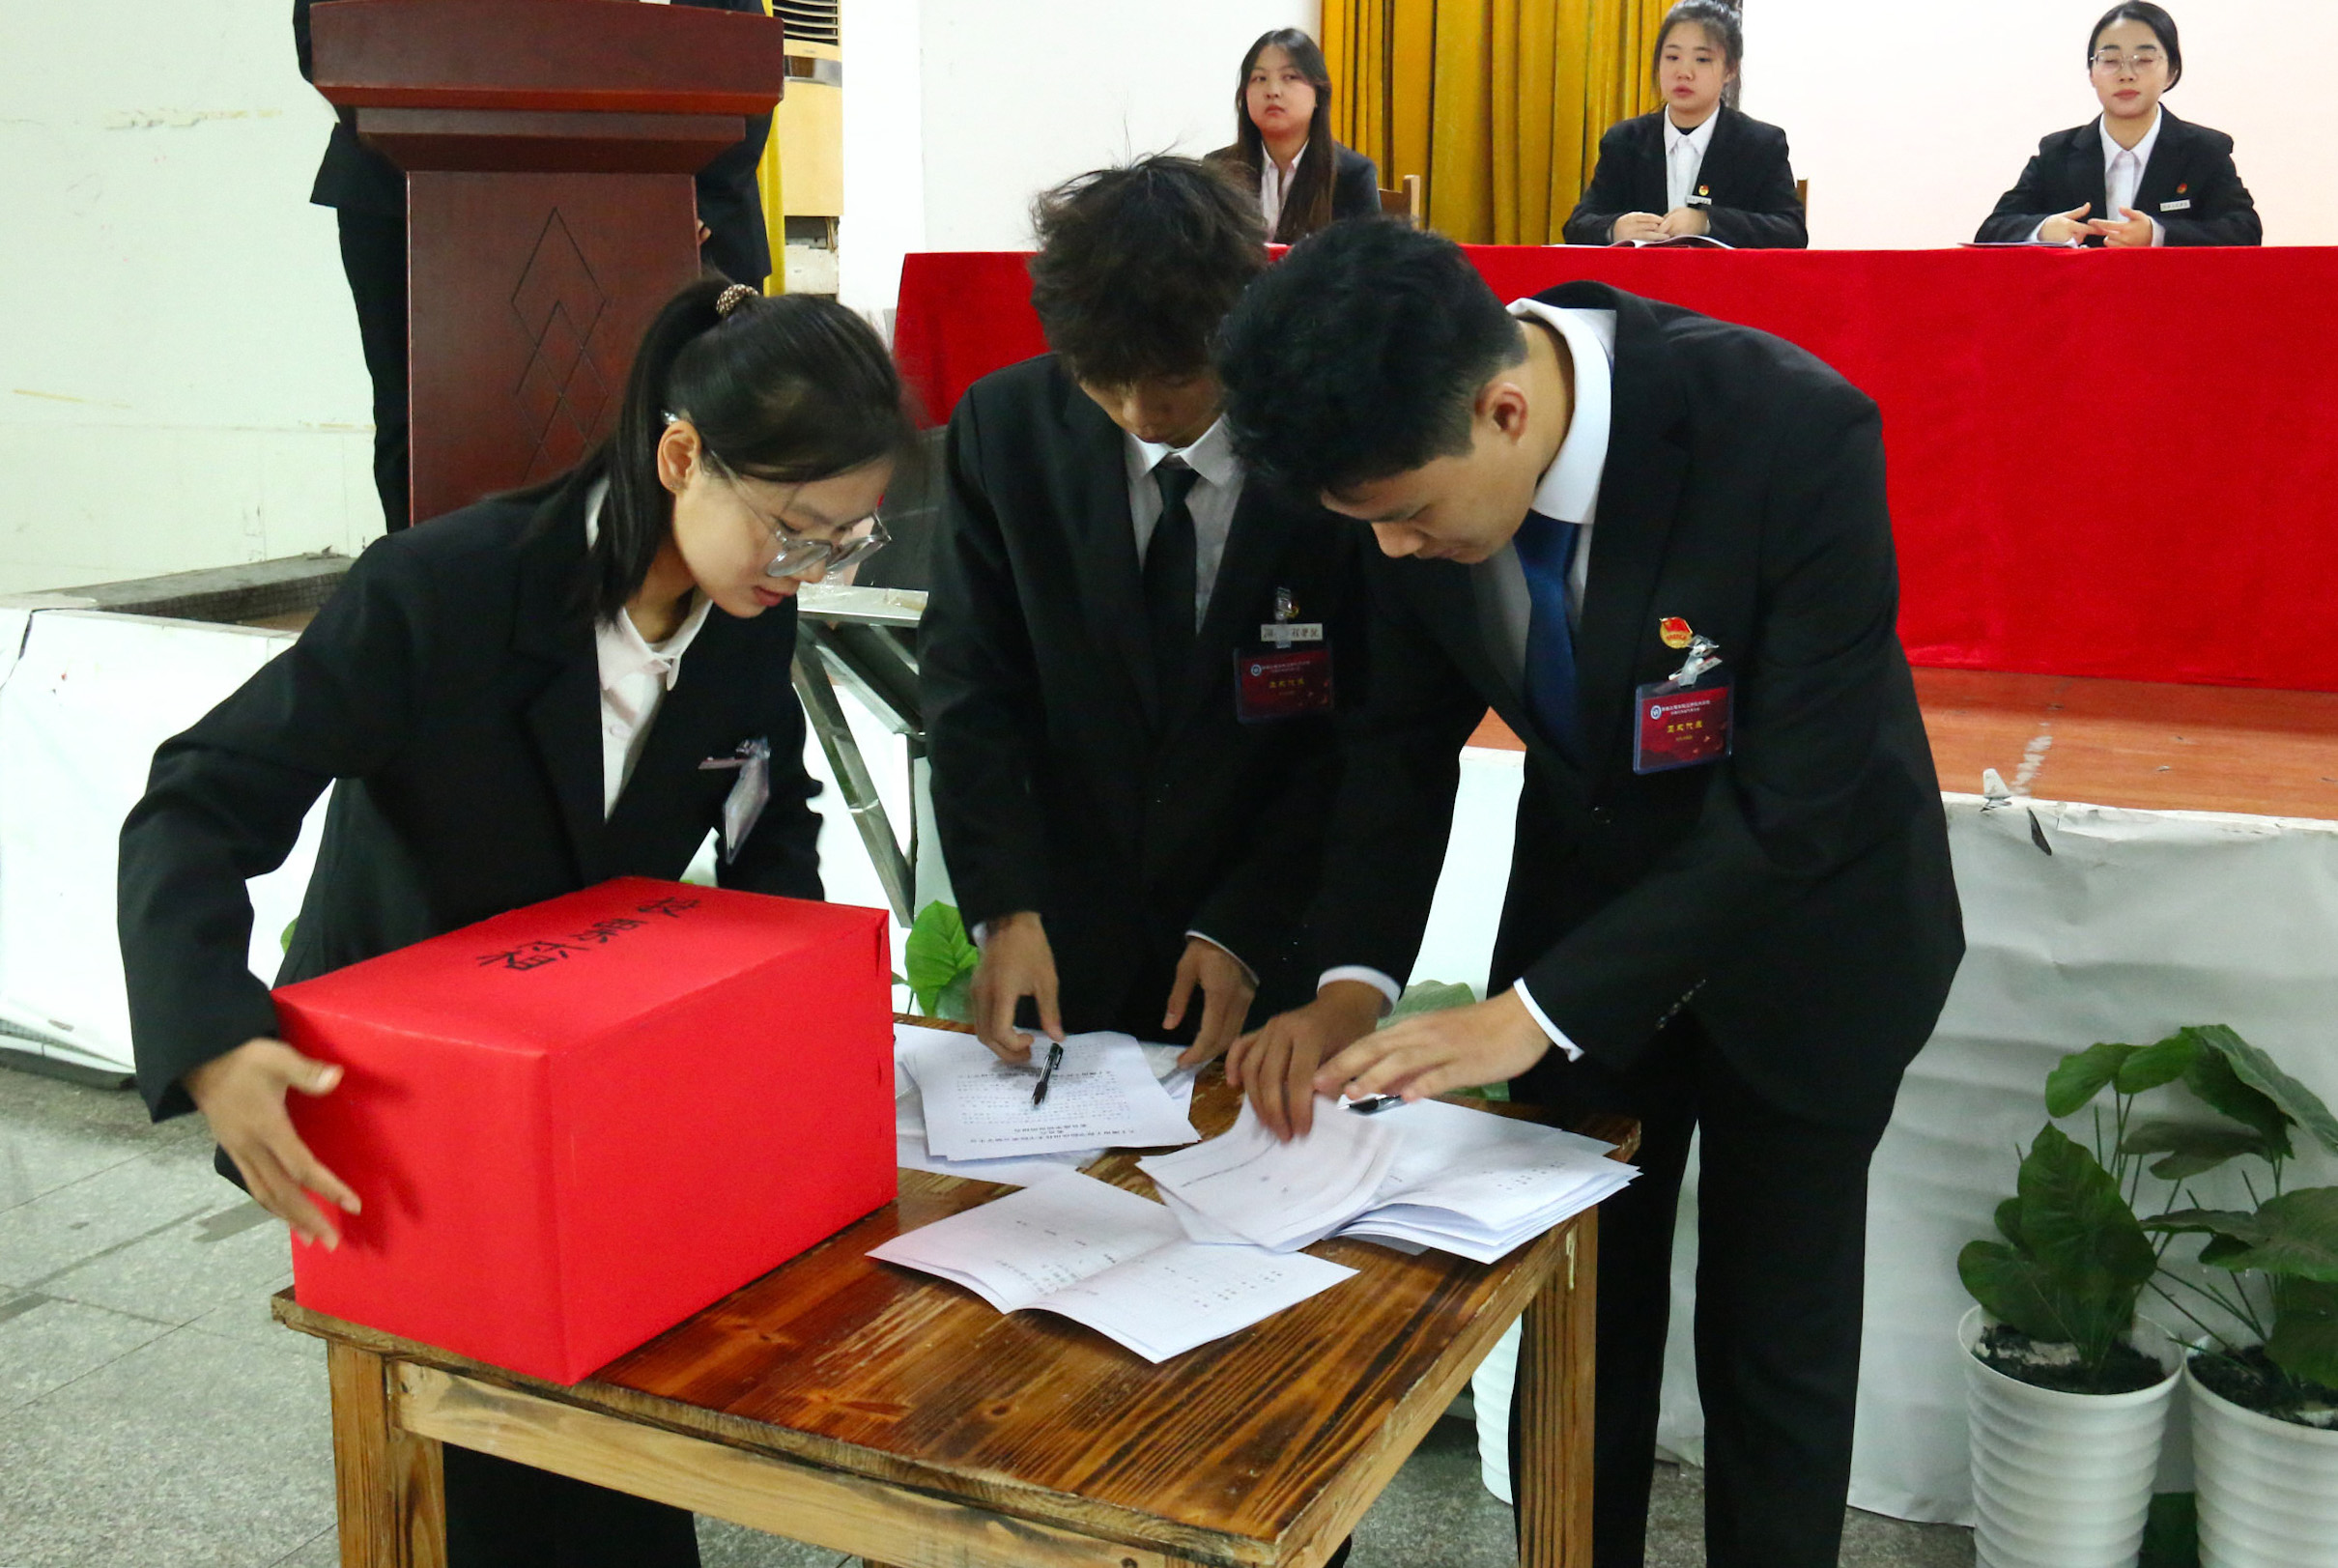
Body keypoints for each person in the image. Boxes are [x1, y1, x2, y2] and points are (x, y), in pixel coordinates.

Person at [118, 276, 911, 1568]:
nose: (810, 570)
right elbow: (198, 801)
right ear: (680, 457)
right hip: (415, 1093)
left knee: (622, 1392)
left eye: (846, 540)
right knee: (494, 1454)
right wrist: (211, 1036)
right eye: (795, 530)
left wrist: (789, 1019)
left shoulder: (744, 621)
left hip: (594, 1063)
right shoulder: (445, 591)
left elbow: (768, 811)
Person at [1213, 220, 1964, 1568]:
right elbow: (1392, 749)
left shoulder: (1788, 431)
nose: (1393, 551)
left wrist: (1529, 1015)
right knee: (1580, 1326)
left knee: (1774, 1338)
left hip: (1812, 936)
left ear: (1504, 411)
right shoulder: (1397, 471)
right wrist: (1350, 983)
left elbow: (1793, 808)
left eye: (1406, 516)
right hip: (1588, 908)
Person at [921, 156, 1362, 1073]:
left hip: (1261, 933)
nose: (1137, 411)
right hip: (1060, 935)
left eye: (1170, 379)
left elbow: (1353, 728)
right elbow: (972, 685)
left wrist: (1245, 927)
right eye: (1103, 379)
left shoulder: (1326, 445)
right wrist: (1005, 905)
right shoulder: (1005, 430)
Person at [292, 0, 779, 532]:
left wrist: (700, 198)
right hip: (400, 191)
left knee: (705, 414)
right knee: (417, 414)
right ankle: (426, 578)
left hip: (670, 192)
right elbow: (326, 32)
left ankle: (684, 581)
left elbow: (741, 43)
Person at [1976, 3, 2260, 247]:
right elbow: (1992, 230)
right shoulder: (2057, 153)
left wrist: (2157, 235)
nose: (2126, 74)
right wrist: (2044, 230)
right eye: (2110, 60)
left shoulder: (2204, 151)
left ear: (2171, 71)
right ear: (2091, 73)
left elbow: (2245, 231)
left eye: (2144, 59)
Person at [1561, 0, 1806, 248]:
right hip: (1638, 274)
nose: (1683, 72)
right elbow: (1577, 225)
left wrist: (1707, 222)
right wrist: (1614, 229)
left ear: (1730, 70)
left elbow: (1792, 232)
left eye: (1702, 59)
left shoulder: (1760, 144)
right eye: (1672, 57)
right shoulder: (1625, 141)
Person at [1208, 29, 1383, 242]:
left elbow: (1369, 258)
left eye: (1289, 77)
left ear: (1318, 94)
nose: (1273, 91)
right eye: (1260, 78)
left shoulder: (1353, 174)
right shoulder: (1218, 169)